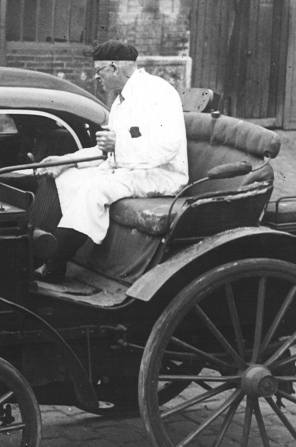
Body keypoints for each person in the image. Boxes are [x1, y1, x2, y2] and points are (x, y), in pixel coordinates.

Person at [33, 40, 188, 284]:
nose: (96, 78)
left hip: (162, 173)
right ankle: (43, 250)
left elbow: (169, 146)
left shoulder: (159, 92)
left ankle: (55, 262)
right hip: (128, 169)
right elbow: (105, 151)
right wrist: (67, 161)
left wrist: (119, 145)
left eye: (99, 71)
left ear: (115, 68)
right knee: (66, 178)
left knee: (96, 188)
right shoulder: (120, 101)